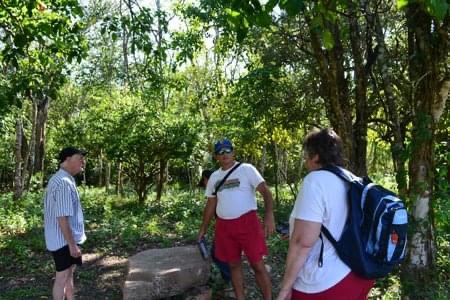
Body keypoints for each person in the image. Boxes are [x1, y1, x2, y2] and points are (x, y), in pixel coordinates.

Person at [277, 128, 374, 300]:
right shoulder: (352, 179)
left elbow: (302, 243)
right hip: (358, 274)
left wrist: (285, 288)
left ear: (315, 156)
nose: (306, 160)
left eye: (307, 155)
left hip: (326, 282)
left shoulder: (315, 181)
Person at [198, 138, 276, 300]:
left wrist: (269, 215)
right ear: (216, 156)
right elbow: (211, 204)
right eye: (220, 152)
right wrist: (203, 228)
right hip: (224, 226)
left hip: (248, 223)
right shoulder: (214, 177)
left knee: (257, 265)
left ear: (233, 152)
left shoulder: (247, 169)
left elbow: (265, 192)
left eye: (228, 150)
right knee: (233, 264)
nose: (224, 154)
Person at [44, 147, 87, 300]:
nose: (83, 161)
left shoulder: (64, 178)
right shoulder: (63, 182)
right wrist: (72, 245)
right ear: (67, 159)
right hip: (63, 241)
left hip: (65, 240)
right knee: (62, 278)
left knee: (69, 275)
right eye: (79, 158)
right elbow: (62, 217)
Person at [198, 169, 232, 284]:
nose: (204, 185)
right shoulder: (218, 188)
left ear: (207, 179)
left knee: (217, 253)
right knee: (223, 253)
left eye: (204, 181)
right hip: (225, 226)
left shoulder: (218, 188)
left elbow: (212, 209)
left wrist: (204, 229)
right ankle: (228, 277)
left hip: (229, 226)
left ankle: (229, 278)